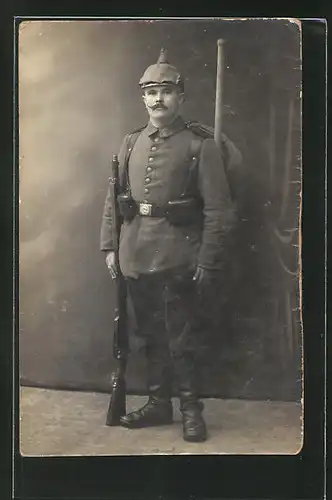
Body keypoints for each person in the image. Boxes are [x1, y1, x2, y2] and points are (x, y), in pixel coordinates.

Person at [100, 48, 236, 442]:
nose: (158, 99)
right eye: (151, 91)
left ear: (181, 96)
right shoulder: (129, 143)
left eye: (167, 91)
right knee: (148, 335)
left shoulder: (199, 146)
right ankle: (160, 405)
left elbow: (219, 211)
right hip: (136, 253)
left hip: (180, 255)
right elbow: (113, 200)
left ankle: (192, 411)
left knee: (182, 338)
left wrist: (207, 262)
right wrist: (111, 247)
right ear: (142, 97)